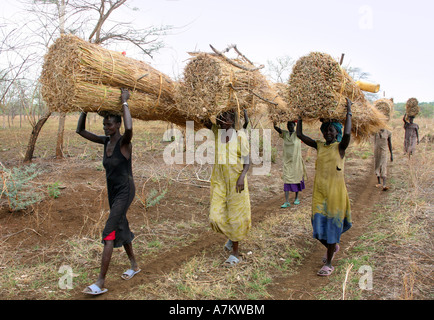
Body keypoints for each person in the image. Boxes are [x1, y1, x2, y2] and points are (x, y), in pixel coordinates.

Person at [77, 88, 140, 295]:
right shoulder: (106, 142)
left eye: (109, 124)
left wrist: (124, 102)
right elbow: (81, 131)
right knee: (121, 224)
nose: (106, 128)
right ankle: (134, 266)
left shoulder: (124, 142)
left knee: (109, 232)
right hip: (113, 192)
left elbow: (130, 127)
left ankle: (100, 282)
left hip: (125, 190)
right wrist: (85, 109)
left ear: (118, 124)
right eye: (104, 124)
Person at [296, 98, 353, 276]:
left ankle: (328, 263)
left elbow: (348, 135)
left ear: (337, 133)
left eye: (332, 130)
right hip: (320, 193)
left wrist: (349, 111)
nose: (328, 133)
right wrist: (299, 118)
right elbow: (300, 136)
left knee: (331, 227)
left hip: (336, 195)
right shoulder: (320, 146)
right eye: (326, 130)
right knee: (318, 226)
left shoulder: (340, 147)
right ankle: (333, 245)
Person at [204, 109, 251, 266]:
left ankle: (235, 253)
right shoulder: (217, 133)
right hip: (219, 181)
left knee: (236, 217)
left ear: (232, 120)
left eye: (225, 118)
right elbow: (203, 121)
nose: (222, 121)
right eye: (220, 117)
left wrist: (242, 176)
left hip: (236, 181)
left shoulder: (240, 136)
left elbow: (247, 161)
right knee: (214, 217)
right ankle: (232, 236)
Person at [273, 121, 307, 208]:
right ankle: (287, 201)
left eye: (291, 125)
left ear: (294, 125)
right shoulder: (285, 134)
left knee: (296, 178)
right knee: (287, 179)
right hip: (287, 161)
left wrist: (299, 119)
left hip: (296, 161)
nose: (289, 127)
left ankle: (296, 198)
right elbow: (277, 129)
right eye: (288, 125)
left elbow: (300, 129)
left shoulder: (298, 135)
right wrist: (274, 121)